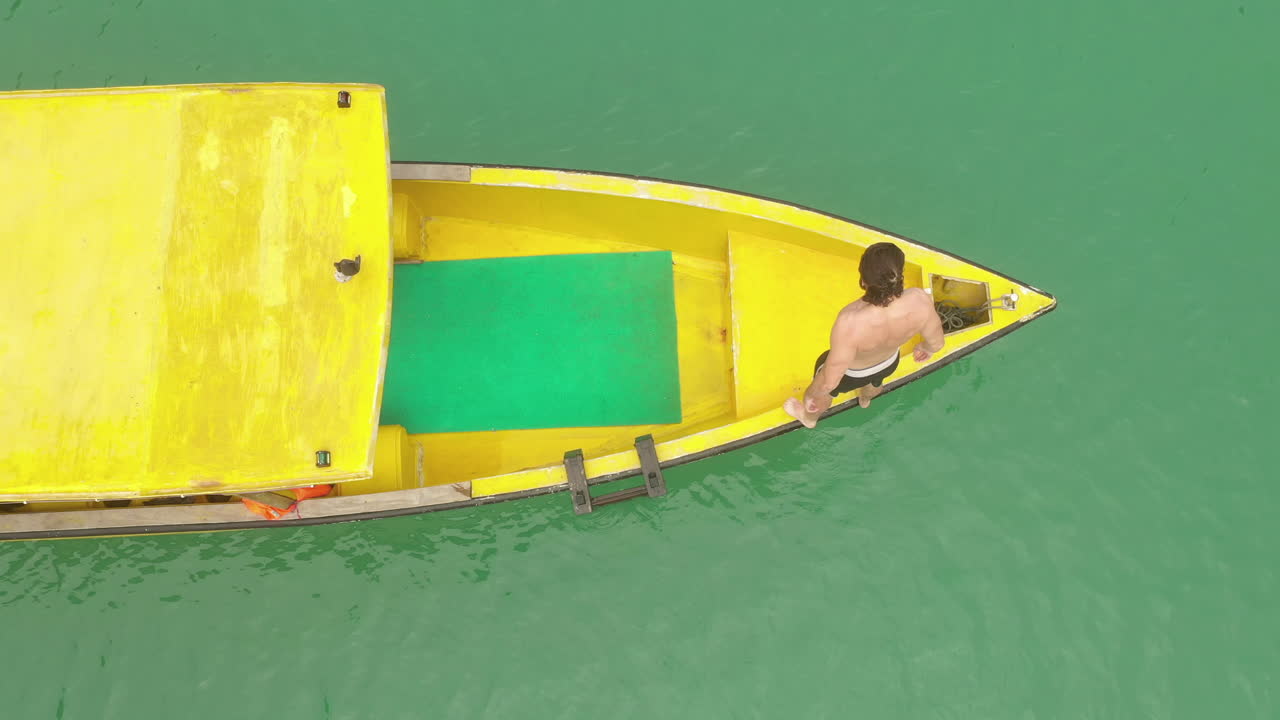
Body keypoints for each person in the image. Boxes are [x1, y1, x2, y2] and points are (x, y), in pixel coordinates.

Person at [783, 241, 945, 428]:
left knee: (819, 394)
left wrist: (813, 395)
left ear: (863, 280)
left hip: (852, 374)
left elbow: (829, 382)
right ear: (899, 274)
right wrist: (925, 348)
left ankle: (808, 419)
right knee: (875, 383)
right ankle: (865, 400)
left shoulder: (849, 322)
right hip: (889, 362)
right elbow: (937, 343)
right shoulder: (919, 300)